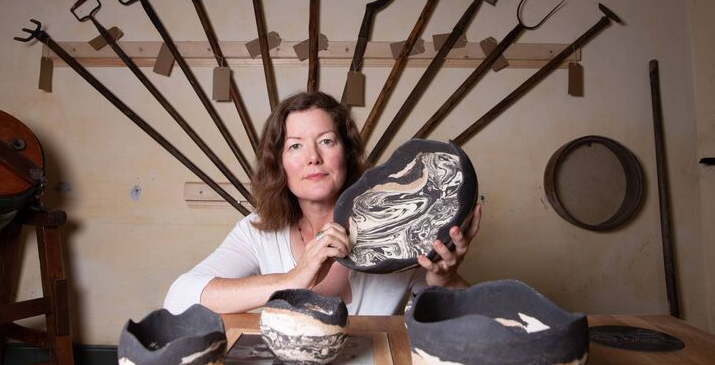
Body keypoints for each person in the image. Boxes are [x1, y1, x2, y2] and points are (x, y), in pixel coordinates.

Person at [163, 91, 481, 315]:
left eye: (326, 141)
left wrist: (445, 279)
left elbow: (478, 329)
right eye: (295, 146)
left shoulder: (402, 228)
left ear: (347, 153)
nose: (313, 158)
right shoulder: (257, 231)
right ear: (279, 163)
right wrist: (293, 279)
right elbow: (179, 298)